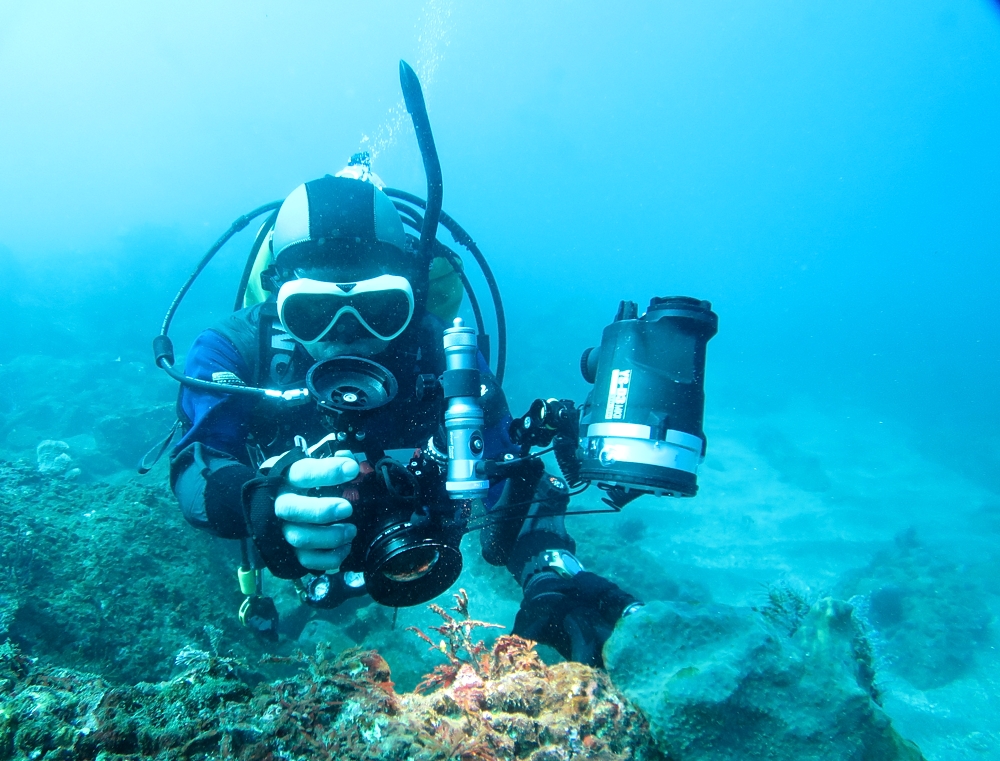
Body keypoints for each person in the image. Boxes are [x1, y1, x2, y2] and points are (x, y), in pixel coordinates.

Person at [168, 168, 641, 666]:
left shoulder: (443, 355)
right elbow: (196, 464)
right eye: (313, 312)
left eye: (380, 308)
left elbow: (505, 467)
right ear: (276, 295)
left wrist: (553, 573)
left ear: (413, 293)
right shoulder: (233, 352)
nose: (345, 334)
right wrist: (253, 501)